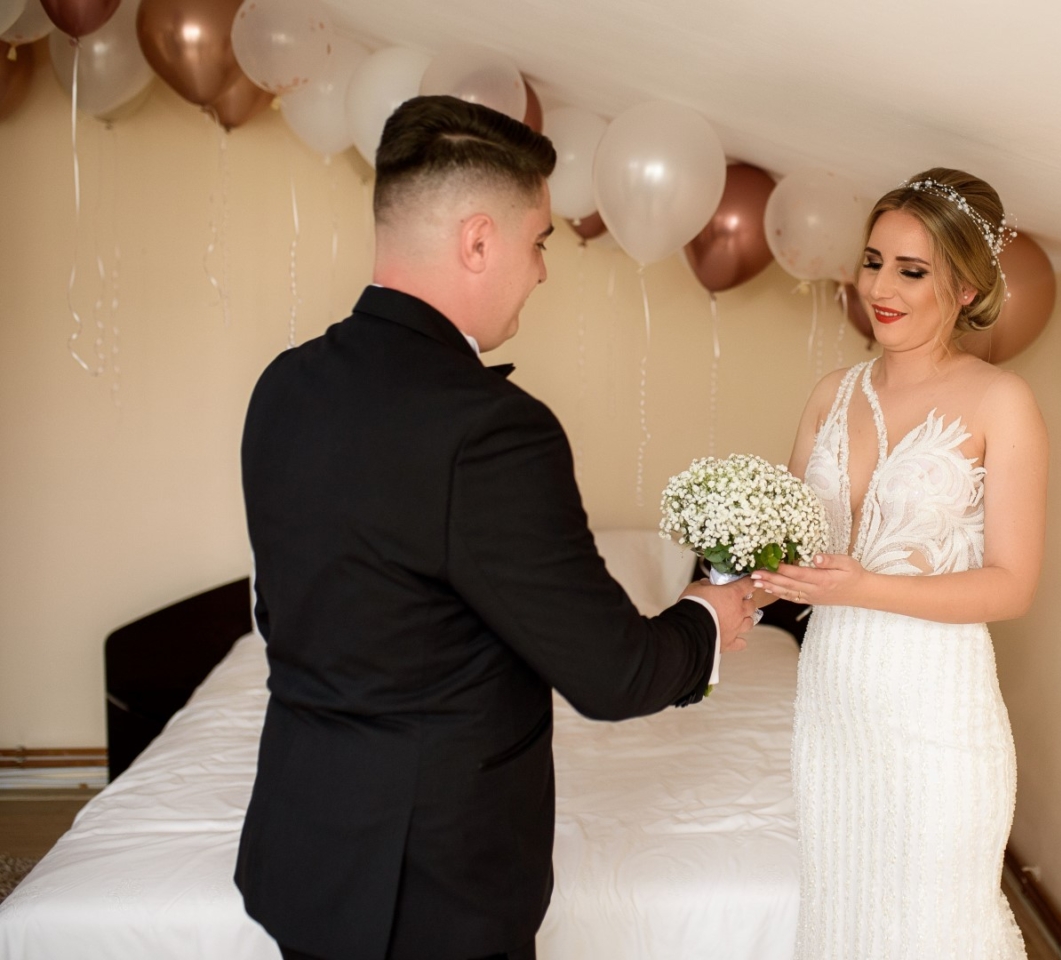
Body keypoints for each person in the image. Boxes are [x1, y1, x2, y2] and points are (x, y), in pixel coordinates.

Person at [234, 96, 757, 960]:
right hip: (432, 891)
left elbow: (290, 609)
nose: (543, 270)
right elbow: (613, 674)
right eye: (539, 240)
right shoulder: (492, 430)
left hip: (302, 853)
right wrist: (707, 614)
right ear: (478, 241)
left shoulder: (283, 386)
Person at [752, 167, 1048, 958]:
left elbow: (1012, 585)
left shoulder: (1001, 401)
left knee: (931, 929)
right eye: (874, 260)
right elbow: (788, 541)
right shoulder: (831, 393)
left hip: (936, 714)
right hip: (833, 707)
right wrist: (743, 579)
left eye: (912, 271)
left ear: (964, 289)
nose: (880, 287)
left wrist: (864, 586)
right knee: (845, 919)